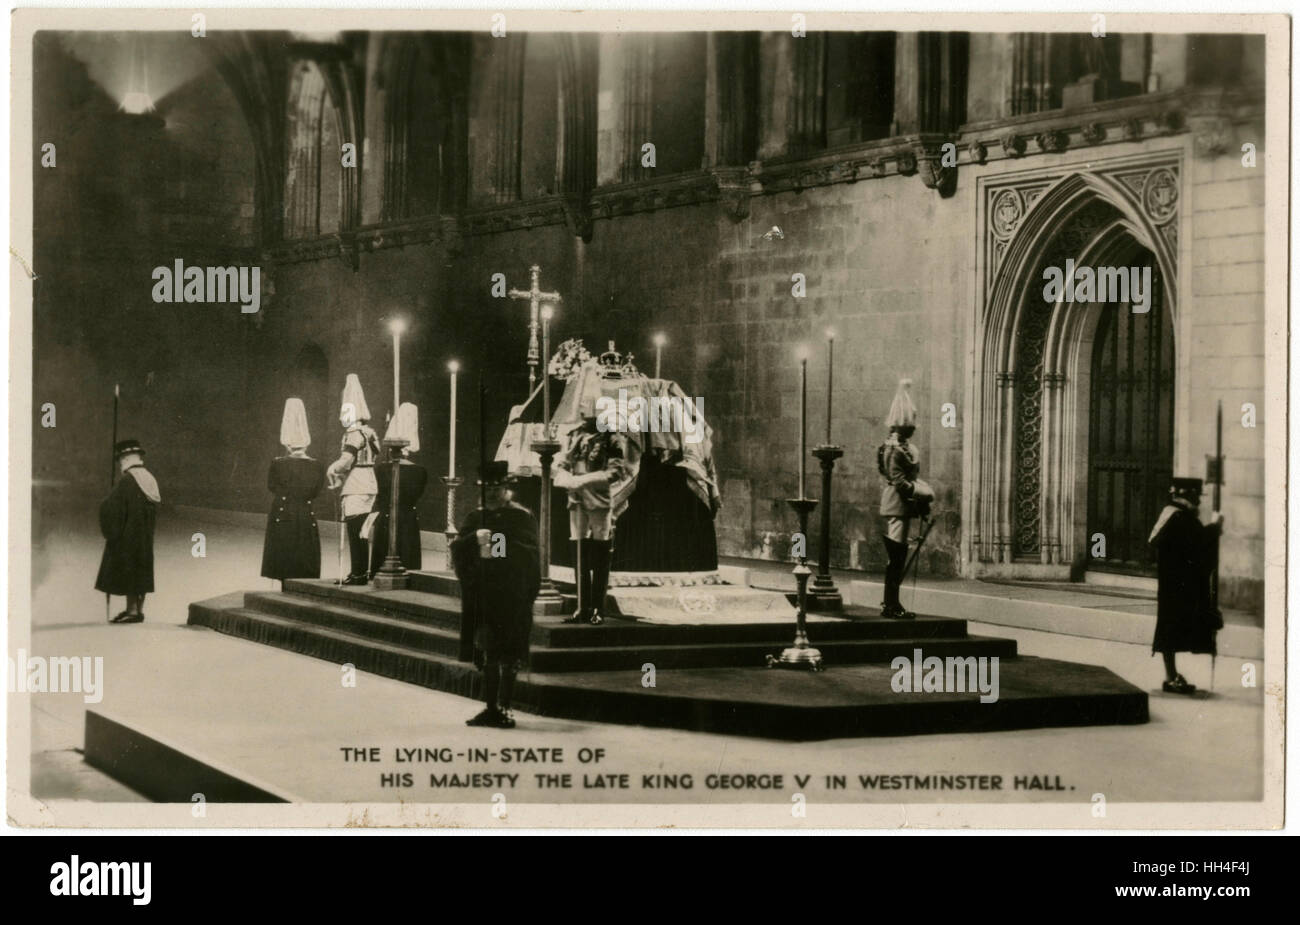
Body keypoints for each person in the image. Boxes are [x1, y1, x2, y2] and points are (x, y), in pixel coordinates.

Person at [450, 461, 541, 729]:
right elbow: (458, 551)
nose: (491, 494)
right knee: (487, 649)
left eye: (496, 488)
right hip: (483, 594)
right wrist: (472, 540)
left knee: (510, 652)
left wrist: (497, 542)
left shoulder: (520, 516)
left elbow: (529, 554)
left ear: (506, 488)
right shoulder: (475, 517)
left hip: (512, 595)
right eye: (486, 488)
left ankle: (505, 707)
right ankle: (490, 707)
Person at [553, 411, 631, 625]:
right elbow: (563, 461)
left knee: (600, 553)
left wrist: (584, 480)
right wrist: (563, 475)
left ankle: (598, 607)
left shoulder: (612, 438)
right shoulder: (575, 434)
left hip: (598, 500)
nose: (584, 415)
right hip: (576, 499)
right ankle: (582, 605)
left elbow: (615, 472)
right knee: (578, 551)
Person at [1149, 477, 1224, 695]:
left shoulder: (1173, 515)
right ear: (1187, 496)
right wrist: (1215, 529)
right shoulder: (1181, 518)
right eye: (1196, 497)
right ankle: (1171, 677)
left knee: (1170, 628)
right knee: (1171, 629)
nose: (1198, 502)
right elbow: (1198, 545)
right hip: (1180, 586)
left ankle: (1171, 676)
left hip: (1175, 585)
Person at [877, 378, 933, 619]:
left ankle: (892, 601)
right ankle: (890, 603)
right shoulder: (893, 450)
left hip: (904, 504)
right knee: (896, 554)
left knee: (899, 553)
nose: (913, 428)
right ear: (901, 426)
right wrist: (921, 494)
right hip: (897, 504)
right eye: (909, 425)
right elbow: (899, 482)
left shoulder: (902, 448)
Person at [261, 398, 326, 586]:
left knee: (284, 553)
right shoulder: (316, 465)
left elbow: (271, 486)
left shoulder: (278, 463)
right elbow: (315, 491)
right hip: (305, 511)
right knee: (303, 552)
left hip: (283, 510)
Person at [96, 438, 160, 624]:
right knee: (142, 568)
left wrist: (105, 505)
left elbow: (111, 508)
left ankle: (132, 610)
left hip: (128, 535)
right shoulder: (148, 478)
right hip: (144, 536)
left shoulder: (128, 480)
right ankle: (137, 609)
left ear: (124, 459)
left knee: (130, 569)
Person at [326, 374, 380, 585]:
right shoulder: (370, 432)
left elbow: (347, 460)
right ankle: (359, 571)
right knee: (362, 532)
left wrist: (333, 468)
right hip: (369, 481)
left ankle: (358, 573)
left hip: (357, 483)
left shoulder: (355, 433)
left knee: (356, 531)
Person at [369, 402, 429, 573]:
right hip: (408, 520)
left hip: (387, 519)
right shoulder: (419, 471)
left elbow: (379, 496)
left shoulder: (381, 469)